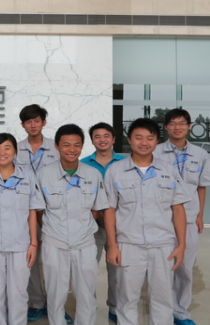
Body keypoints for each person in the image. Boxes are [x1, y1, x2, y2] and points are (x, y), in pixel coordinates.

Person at [104, 118, 191, 325]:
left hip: (163, 245)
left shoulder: (168, 170)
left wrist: (181, 245)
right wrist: (112, 245)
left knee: (163, 299)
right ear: (129, 140)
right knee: (126, 299)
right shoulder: (115, 171)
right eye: (138, 137)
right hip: (128, 245)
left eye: (150, 138)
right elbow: (109, 210)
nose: (144, 142)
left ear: (156, 141)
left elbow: (178, 209)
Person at [37, 124, 108, 325]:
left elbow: (96, 209)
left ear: (82, 146)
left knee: (86, 295)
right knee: (55, 295)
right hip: (54, 243)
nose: (72, 149)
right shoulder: (44, 174)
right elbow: (39, 211)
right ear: (57, 146)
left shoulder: (93, 174)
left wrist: (81, 226)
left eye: (77, 145)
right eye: (66, 145)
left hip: (85, 244)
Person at [0, 133, 45, 324]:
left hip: (20, 245)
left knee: (18, 295)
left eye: (7, 148)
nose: (2, 152)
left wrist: (33, 243)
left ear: (15, 151)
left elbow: (32, 211)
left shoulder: (27, 176)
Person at [154, 109, 210, 325]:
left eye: (182, 123)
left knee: (186, 267)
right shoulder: (156, 152)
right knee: (162, 267)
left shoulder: (200, 154)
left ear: (189, 126)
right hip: (163, 218)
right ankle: (163, 311)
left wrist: (199, 215)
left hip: (188, 218)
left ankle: (181, 312)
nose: (177, 127)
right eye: (172, 123)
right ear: (166, 127)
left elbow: (201, 187)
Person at [15, 104, 68, 323]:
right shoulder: (15, 149)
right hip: (25, 212)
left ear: (43, 122)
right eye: (28, 121)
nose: (33, 125)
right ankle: (36, 302)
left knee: (55, 262)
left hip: (52, 211)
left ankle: (57, 306)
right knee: (30, 259)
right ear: (23, 125)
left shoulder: (55, 148)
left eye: (36, 120)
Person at [81, 122, 125, 323]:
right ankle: (88, 309)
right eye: (97, 136)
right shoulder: (83, 164)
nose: (102, 140)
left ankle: (115, 308)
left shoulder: (125, 163)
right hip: (93, 226)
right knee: (87, 270)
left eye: (106, 136)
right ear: (92, 140)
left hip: (120, 227)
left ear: (113, 139)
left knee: (117, 270)